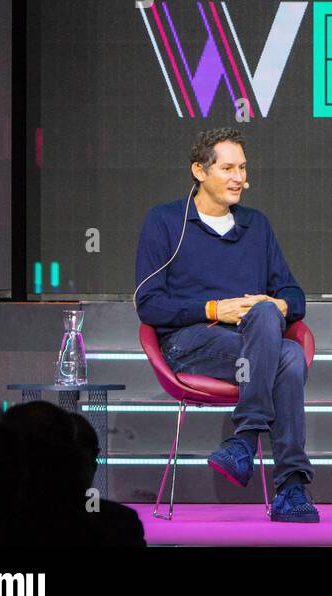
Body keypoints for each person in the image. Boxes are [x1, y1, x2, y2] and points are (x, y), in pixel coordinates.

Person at [134, 127, 318, 522]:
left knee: (273, 324)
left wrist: (275, 302)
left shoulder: (256, 225)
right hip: (188, 345)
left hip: (253, 346)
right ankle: (291, 487)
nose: (240, 178)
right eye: (228, 168)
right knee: (285, 356)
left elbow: (296, 297)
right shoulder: (166, 222)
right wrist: (216, 309)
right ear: (199, 170)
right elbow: (149, 306)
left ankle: (244, 442)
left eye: (243, 168)